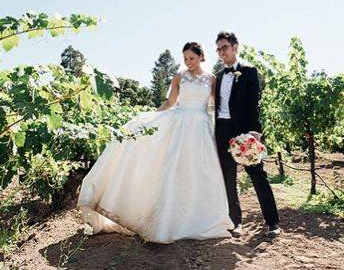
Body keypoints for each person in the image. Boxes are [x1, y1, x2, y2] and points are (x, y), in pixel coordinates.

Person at [77, 42, 233, 244]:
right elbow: (170, 103)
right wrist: (149, 120)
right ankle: (168, 220)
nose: (188, 62)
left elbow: (217, 105)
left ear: (201, 56)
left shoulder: (211, 79)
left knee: (201, 171)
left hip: (201, 128)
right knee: (174, 170)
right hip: (181, 126)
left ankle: (202, 218)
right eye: (185, 58)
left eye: (191, 58)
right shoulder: (179, 77)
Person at [214, 31, 280, 236]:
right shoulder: (217, 77)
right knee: (227, 178)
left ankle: (273, 223)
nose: (220, 52)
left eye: (224, 47)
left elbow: (254, 105)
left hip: (244, 131)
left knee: (257, 175)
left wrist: (255, 133)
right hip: (222, 130)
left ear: (235, 47)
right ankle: (236, 222)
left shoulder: (249, 72)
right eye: (218, 49)